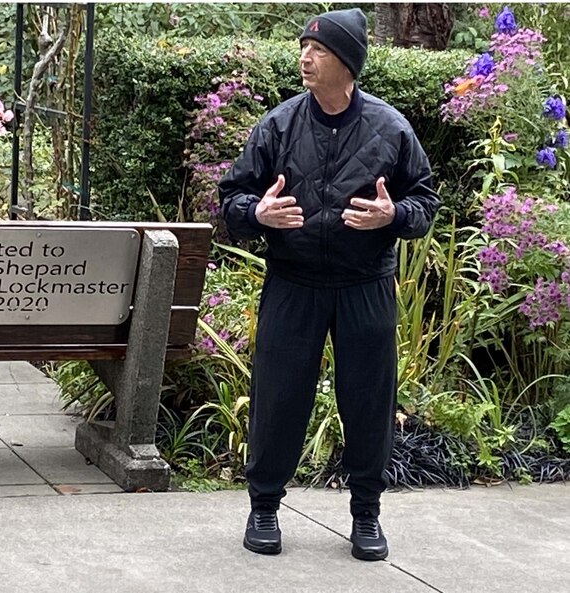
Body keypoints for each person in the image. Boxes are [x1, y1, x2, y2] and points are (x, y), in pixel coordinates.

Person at [218, 8, 440, 561]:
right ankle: (264, 506)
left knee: (368, 401)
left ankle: (366, 515)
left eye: (317, 50)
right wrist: (257, 215)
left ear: (347, 63)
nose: (305, 57)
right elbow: (232, 199)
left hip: (365, 285)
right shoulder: (279, 124)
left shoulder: (391, 129)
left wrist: (392, 217)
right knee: (278, 396)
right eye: (303, 48)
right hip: (293, 282)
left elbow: (425, 203)